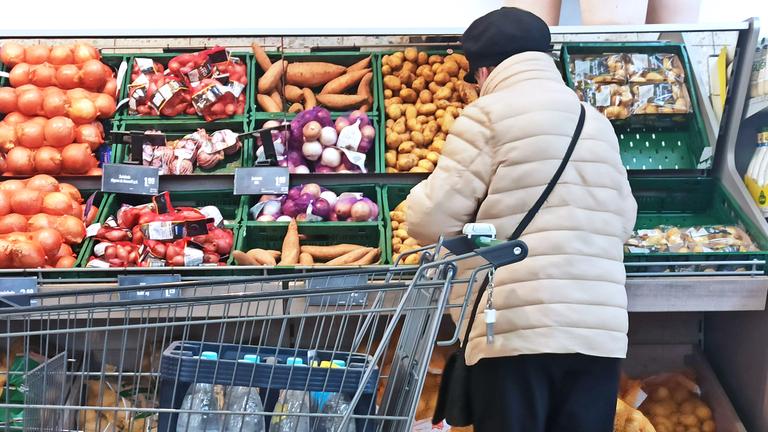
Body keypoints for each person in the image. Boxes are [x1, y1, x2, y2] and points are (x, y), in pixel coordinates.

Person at [405, 7, 638, 432]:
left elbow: (429, 220)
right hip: (598, 335)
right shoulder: (596, 122)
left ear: (484, 70)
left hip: (516, 332)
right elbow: (624, 221)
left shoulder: (489, 115)